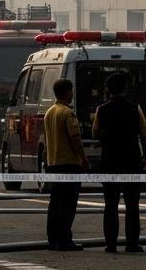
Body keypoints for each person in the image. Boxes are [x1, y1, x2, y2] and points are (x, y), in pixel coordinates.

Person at [92, 72, 146, 253]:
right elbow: (144, 135)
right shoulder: (136, 109)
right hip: (132, 161)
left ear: (108, 90)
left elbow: (95, 134)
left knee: (111, 204)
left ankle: (111, 244)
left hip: (109, 161)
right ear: (126, 88)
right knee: (132, 204)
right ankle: (132, 244)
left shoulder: (101, 110)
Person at [43, 78, 89, 251]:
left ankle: (53, 239)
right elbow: (75, 139)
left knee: (55, 204)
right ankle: (65, 240)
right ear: (68, 92)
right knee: (69, 204)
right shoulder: (68, 114)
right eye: (71, 91)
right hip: (69, 164)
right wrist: (84, 160)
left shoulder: (50, 112)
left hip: (53, 163)